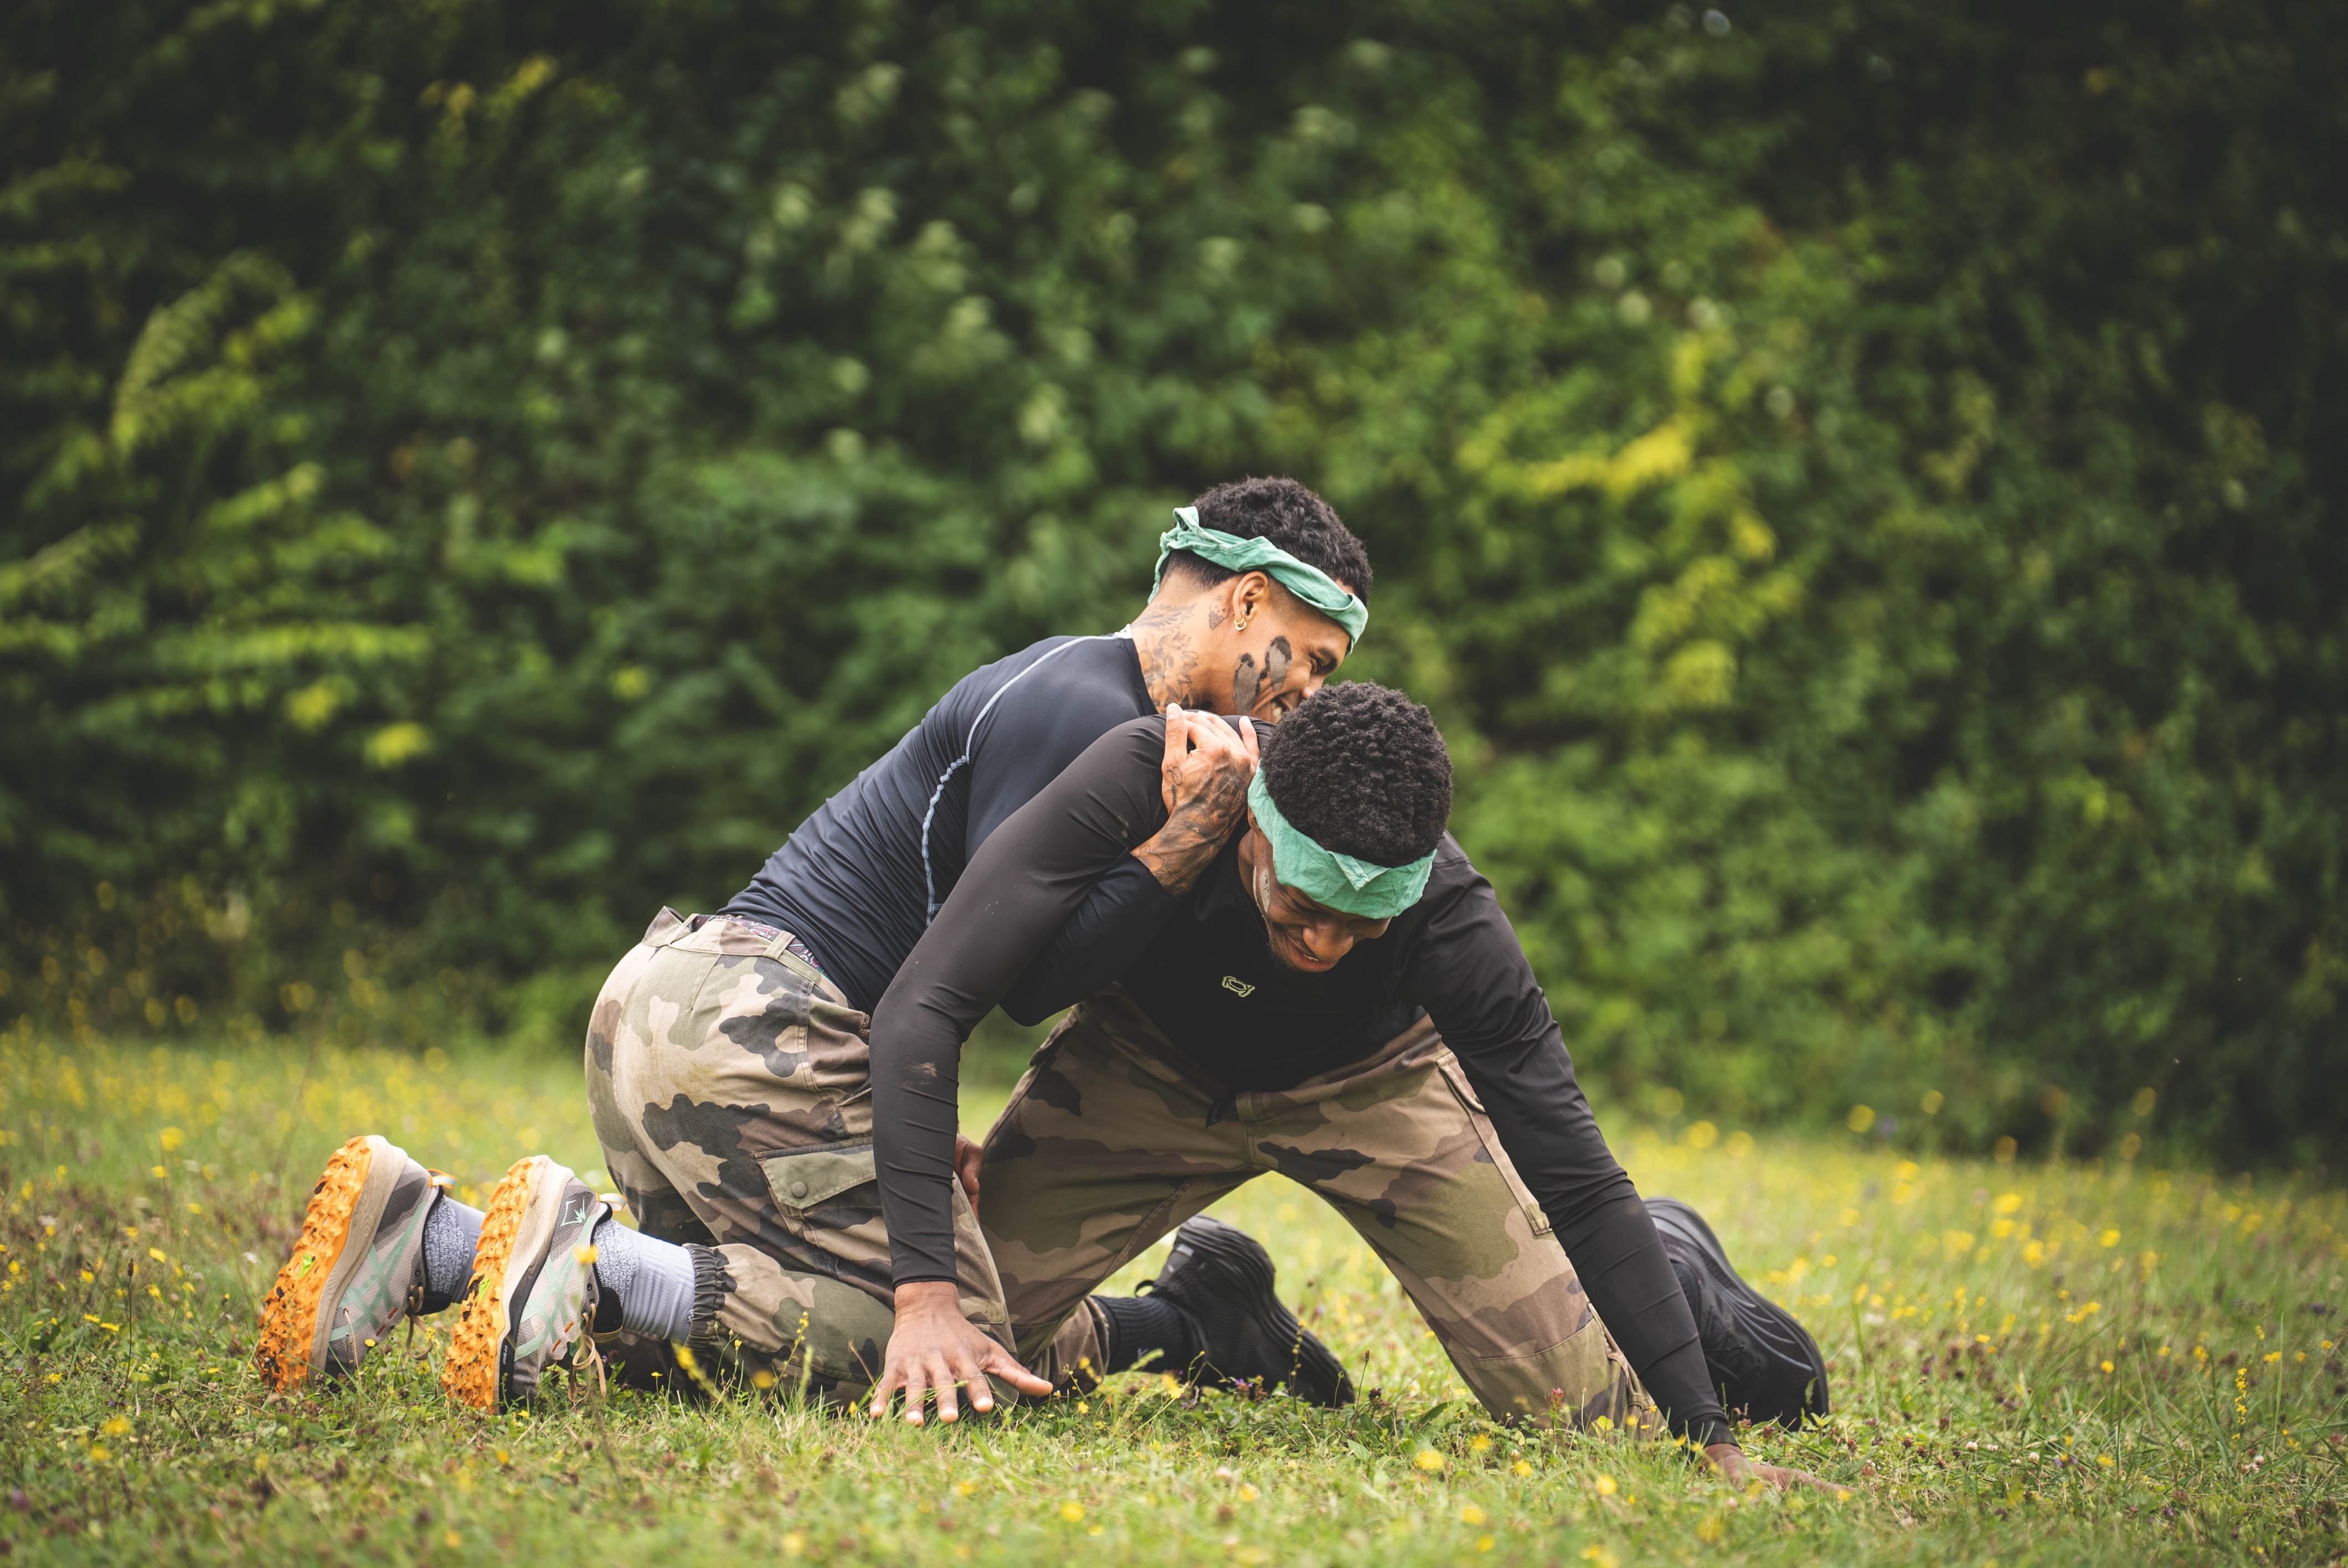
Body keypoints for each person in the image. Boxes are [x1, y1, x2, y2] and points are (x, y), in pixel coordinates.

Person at [255, 480, 1371, 1413]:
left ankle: (436, 1240)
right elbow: (1021, 984)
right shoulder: (1093, 712)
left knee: (743, 1316)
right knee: (962, 1340)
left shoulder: (1063, 678)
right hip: (760, 1024)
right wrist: (1186, 839)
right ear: (1247, 599)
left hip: (667, 1002)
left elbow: (960, 955)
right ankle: (581, 1258)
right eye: (1310, 660)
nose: (1309, 698)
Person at [862, 683, 1835, 1488]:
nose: (1325, 944)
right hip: (1143, 1067)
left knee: (1592, 1430)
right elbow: (927, 1005)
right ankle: (1192, 1321)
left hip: (1373, 1085)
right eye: (1303, 903)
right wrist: (925, 1297)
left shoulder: (1453, 918)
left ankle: (1675, 1265)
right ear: (1253, 823)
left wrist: (1709, 1438)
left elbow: (1573, 1169)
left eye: (1362, 922)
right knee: (930, 1354)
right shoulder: (1147, 777)